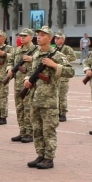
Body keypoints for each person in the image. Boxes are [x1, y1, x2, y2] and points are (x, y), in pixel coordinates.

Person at [24, 26, 74, 169]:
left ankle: (49, 158)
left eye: (43, 35)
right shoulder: (36, 54)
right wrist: (27, 79)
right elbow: (31, 71)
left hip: (49, 101)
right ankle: (40, 155)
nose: (39, 37)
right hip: (35, 98)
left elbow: (70, 72)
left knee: (48, 130)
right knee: (37, 129)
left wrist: (55, 66)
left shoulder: (56, 55)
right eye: (38, 34)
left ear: (50, 38)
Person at [5, 29, 37, 143]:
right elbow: (10, 62)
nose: (22, 38)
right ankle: (22, 131)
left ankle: (30, 133)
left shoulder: (36, 50)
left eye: (25, 36)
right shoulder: (17, 50)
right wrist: (9, 69)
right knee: (19, 109)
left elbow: (42, 63)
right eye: (21, 36)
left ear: (31, 37)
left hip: (29, 84)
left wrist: (32, 59)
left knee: (28, 109)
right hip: (18, 84)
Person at [54, 32, 75, 122]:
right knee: (55, 95)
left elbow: (73, 57)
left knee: (62, 96)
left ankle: (62, 113)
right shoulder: (54, 49)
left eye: (58, 38)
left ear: (63, 39)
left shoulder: (67, 48)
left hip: (63, 77)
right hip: (55, 75)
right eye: (55, 38)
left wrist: (62, 59)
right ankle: (56, 112)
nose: (56, 40)